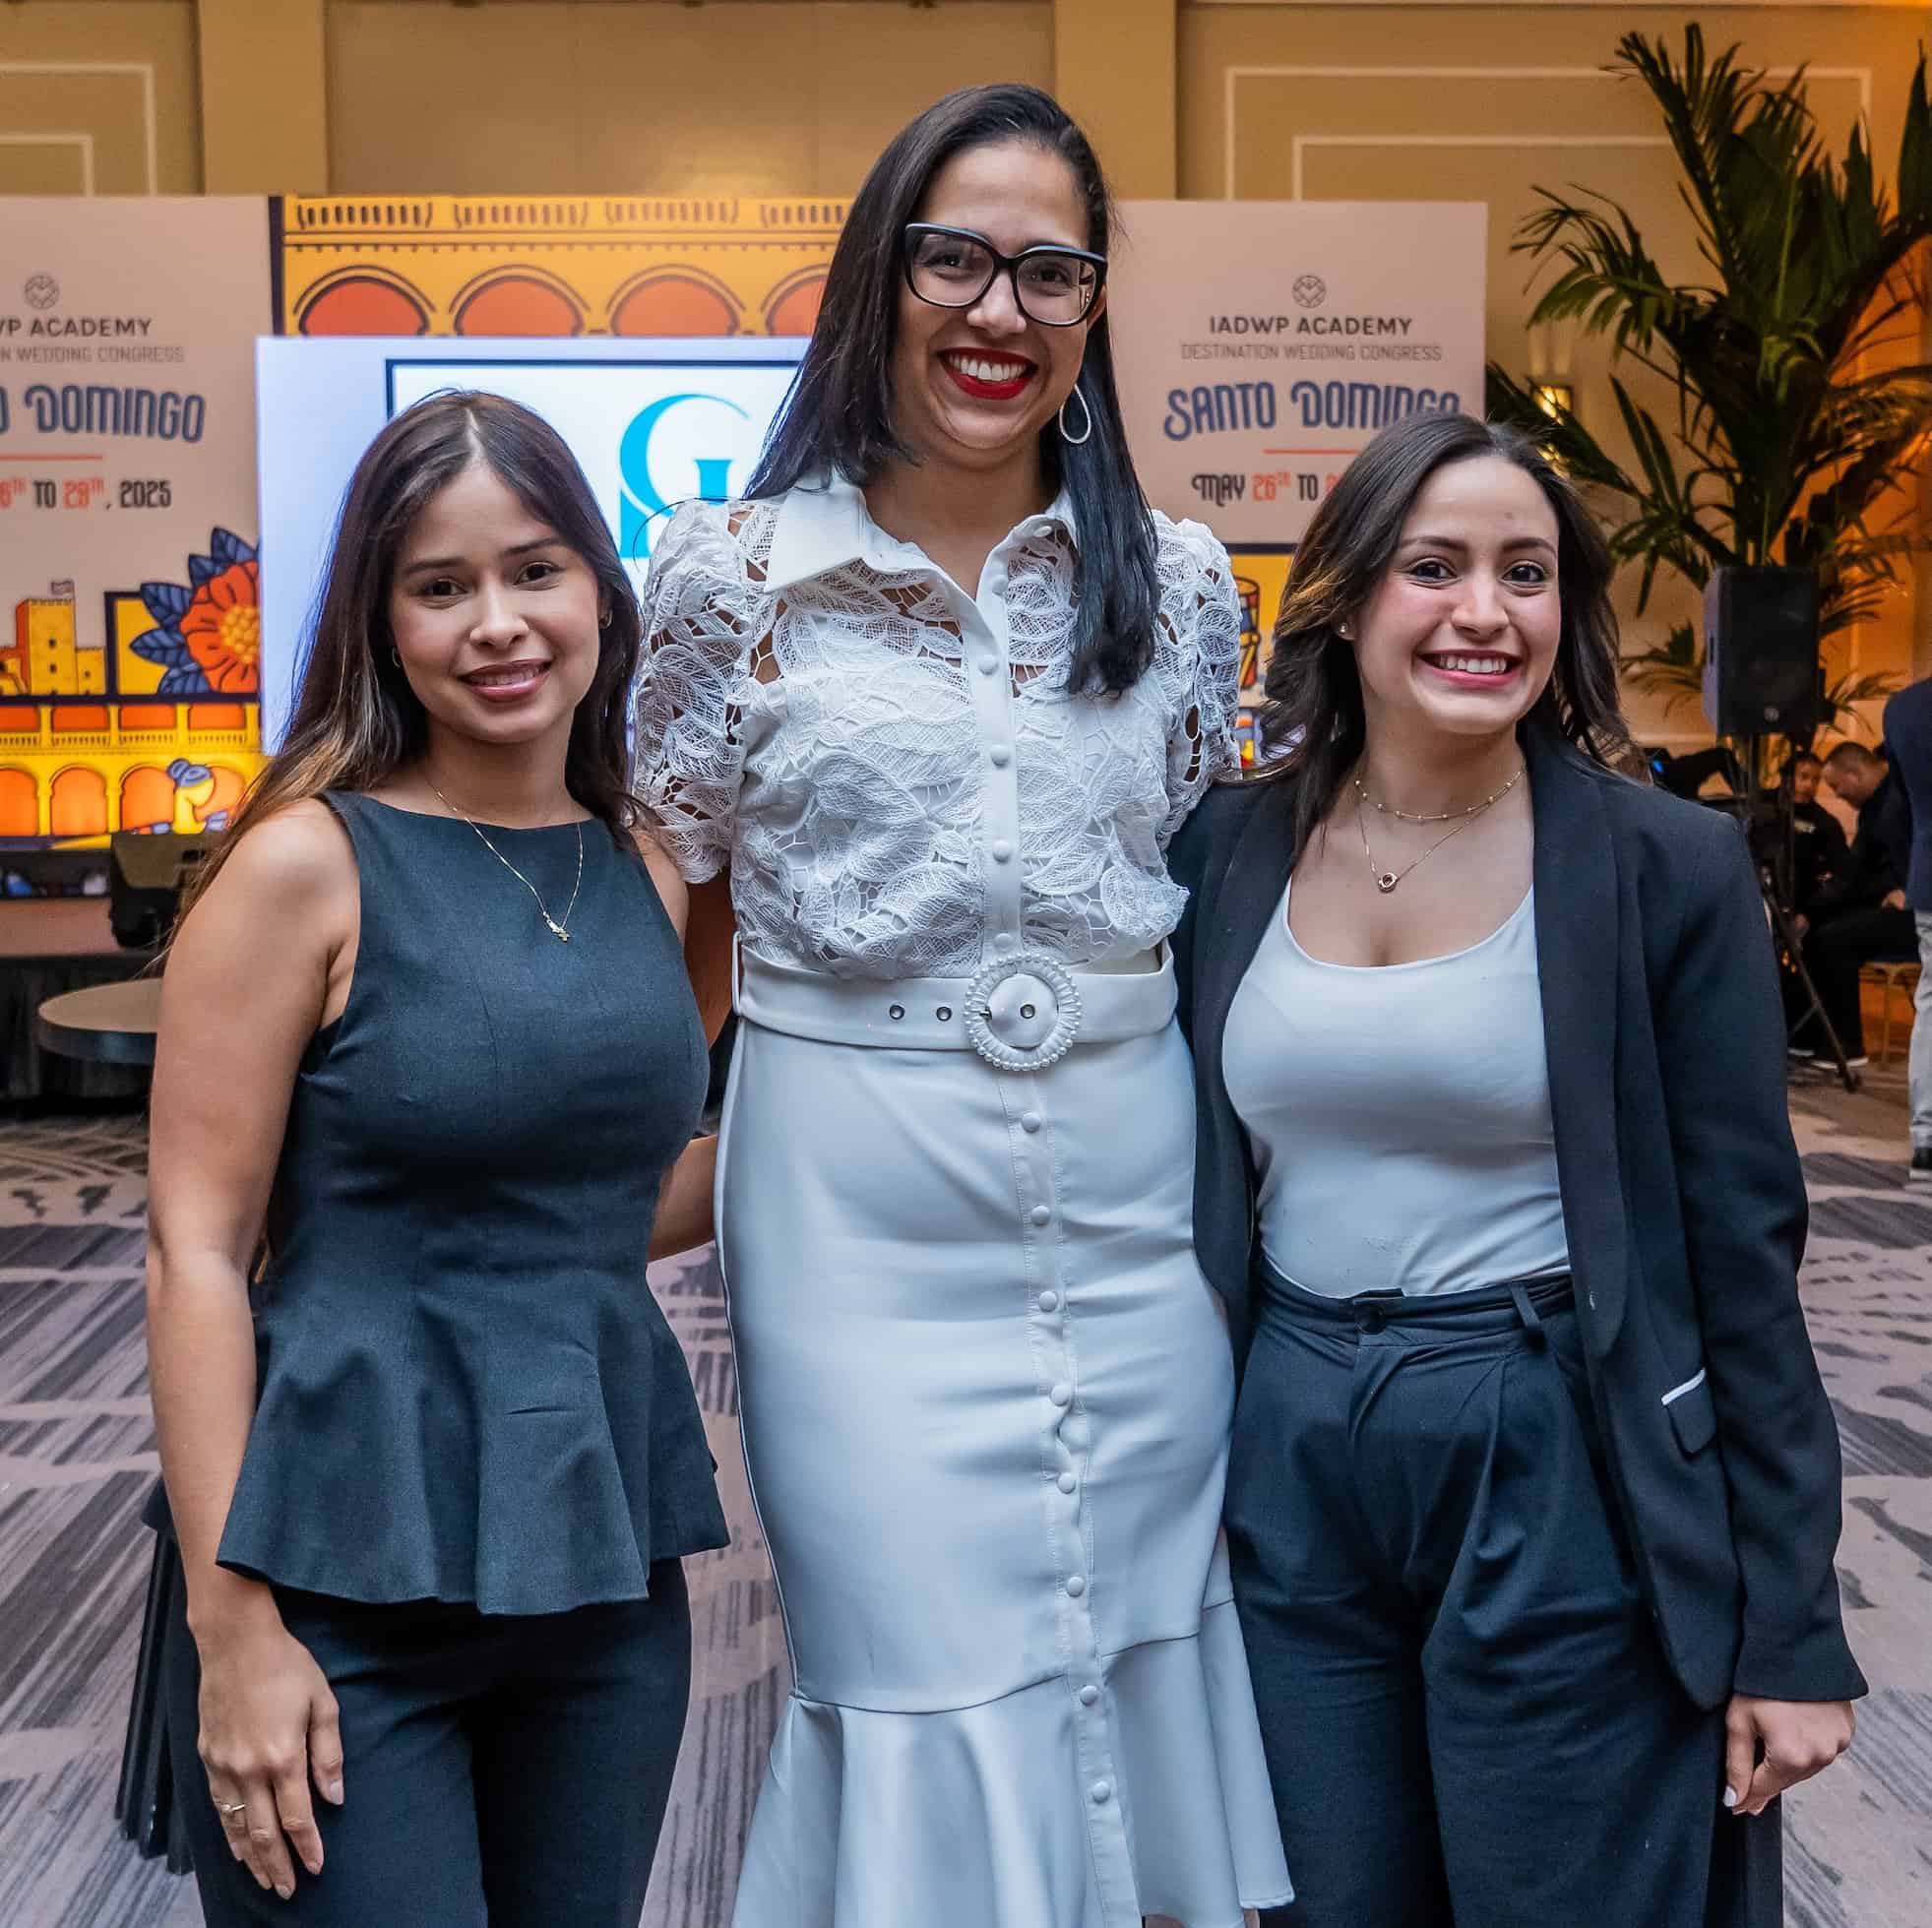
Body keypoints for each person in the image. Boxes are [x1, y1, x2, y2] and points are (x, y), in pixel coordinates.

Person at [636, 82, 1289, 1928]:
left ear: (1090, 311)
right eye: (954, 257)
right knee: (907, 1657)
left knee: (1136, 1638)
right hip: (853, 1208)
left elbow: (1186, 884)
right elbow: (664, 923)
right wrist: (586, 1188)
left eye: (1048, 269)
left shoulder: (1174, 589)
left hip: (1123, 1192)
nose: (997, 309)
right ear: (878, 280)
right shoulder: (732, 577)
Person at [1168, 410, 1862, 1928]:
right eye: (1433, 566)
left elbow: (1742, 1261)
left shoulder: (1655, 867)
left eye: (1525, 572)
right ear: (1344, 597)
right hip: (1283, 1439)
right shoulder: (1217, 854)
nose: (1484, 611)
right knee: (1321, 1894)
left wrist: (1790, 1629)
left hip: (1549, 1438)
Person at [146, 392, 727, 1924]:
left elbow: (602, 1213)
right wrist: (231, 1626)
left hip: (595, 1562)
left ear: (600, 588)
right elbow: (192, 1251)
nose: (498, 623)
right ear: (379, 619)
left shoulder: (645, 865)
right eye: (440, 584)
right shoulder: (304, 864)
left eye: (534, 570)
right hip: (332, 1565)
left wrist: (813, 1150)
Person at [1784, 740, 1912, 1067]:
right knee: (1817, 931)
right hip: (1889, 902)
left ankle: (1848, 1044)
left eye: (1837, 787)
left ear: (1855, 774)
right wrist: (1810, 910)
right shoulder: (1876, 807)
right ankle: (1813, 1034)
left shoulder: (1901, 799)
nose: (1837, 795)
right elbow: (1856, 872)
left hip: (1915, 908)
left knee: (1835, 938)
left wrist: (1910, 888)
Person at [1885, 678, 1932, 1175]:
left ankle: (1926, 1134)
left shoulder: (1903, 707)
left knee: (1930, 1001)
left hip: (1927, 876)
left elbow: (1900, 807)